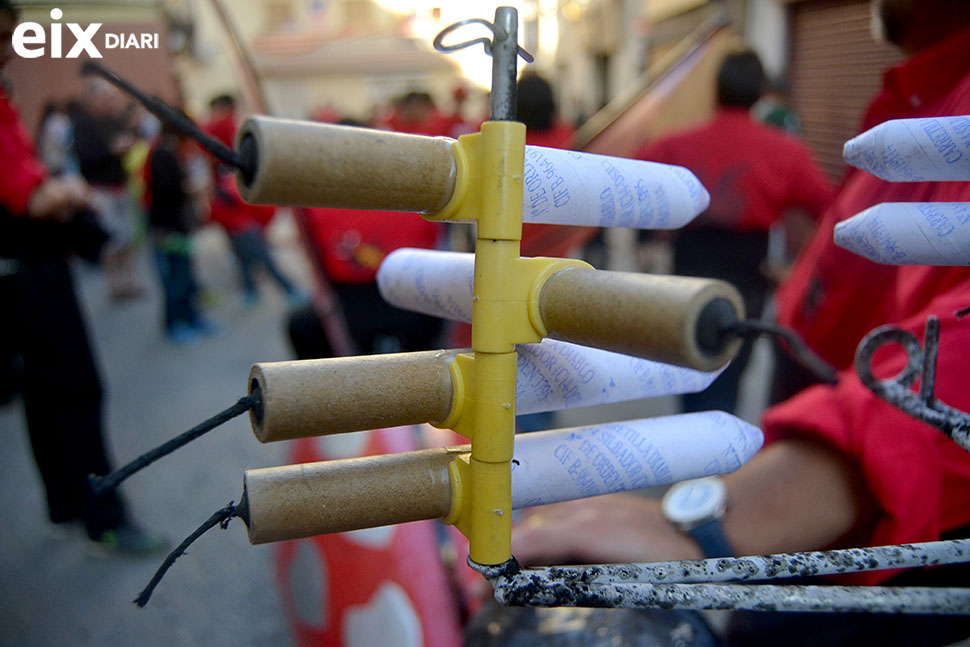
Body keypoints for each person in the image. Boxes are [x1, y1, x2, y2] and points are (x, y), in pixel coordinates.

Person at [509, 1, 970, 644]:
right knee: (719, 398)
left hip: (861, 476)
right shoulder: (860, 123)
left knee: (684, 388)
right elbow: (820, 207)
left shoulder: (686, 143)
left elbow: (639, 183)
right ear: (758, 95)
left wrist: (721, 522)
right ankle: (703, 472)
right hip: (750, 299)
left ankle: (696, 480)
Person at [0, 0, 163, 554]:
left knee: (46, 394)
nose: (7, 49)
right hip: (27, 266)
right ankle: (103, 512)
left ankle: (69, 502)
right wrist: (66, 190)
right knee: (73, 391)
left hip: (29, 261)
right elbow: (32, 192)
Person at [634, 50, 833, 415]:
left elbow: (630, 182)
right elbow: (832, 212)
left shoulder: (676, 145)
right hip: (748, 277)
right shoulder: (786, 153)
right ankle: (715, 455)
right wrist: (798, 270)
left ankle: (693, 453)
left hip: (689, 269)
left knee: (691, 372)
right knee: (729, 374)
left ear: (716, 91)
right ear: (761, 93)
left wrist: (655, 234)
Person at [73, 77, 144, 300]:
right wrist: (112, 151)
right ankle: (115, 286)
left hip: (121, 186)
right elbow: (84, 158)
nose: (110, 101)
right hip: (101, 189)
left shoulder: (114, 121)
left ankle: (131, 282)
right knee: (111, 241)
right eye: (105, 97)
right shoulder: (84, 126)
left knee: (129, 237)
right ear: (93, 99)